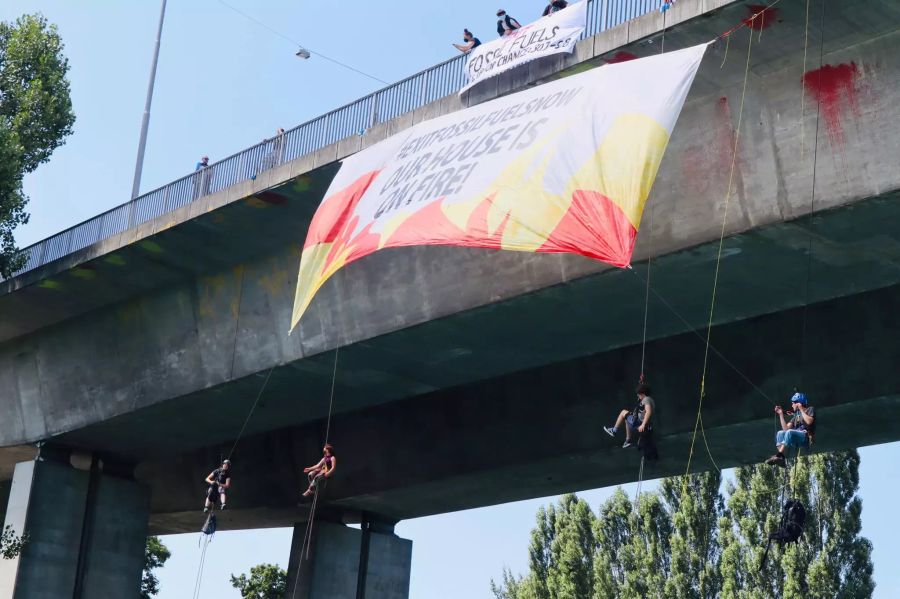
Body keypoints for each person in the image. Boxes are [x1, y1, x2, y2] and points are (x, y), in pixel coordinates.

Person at [765, 392, 815, 468]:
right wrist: (781, 414)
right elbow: (785, 429)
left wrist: (801, 409)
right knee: (780, 433)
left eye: (793, 403)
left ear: (798, 403)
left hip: (805, 438)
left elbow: (809, 421)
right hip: (796, 439)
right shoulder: (796, 416)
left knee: (789, 432)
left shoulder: (810, 409)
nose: (792, 405)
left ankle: (779, 455)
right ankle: (781, 458)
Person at [603, 383, 655, 449]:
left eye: (638, 394)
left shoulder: (646, 400)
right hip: (638, 420)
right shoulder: (648, 399)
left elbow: (648, 412)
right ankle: (628, 441)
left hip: (638, 422)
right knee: (626, 419)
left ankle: (614, 431)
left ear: (643, 394)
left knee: (623, 412)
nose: (637, 395)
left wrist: (643, 425)